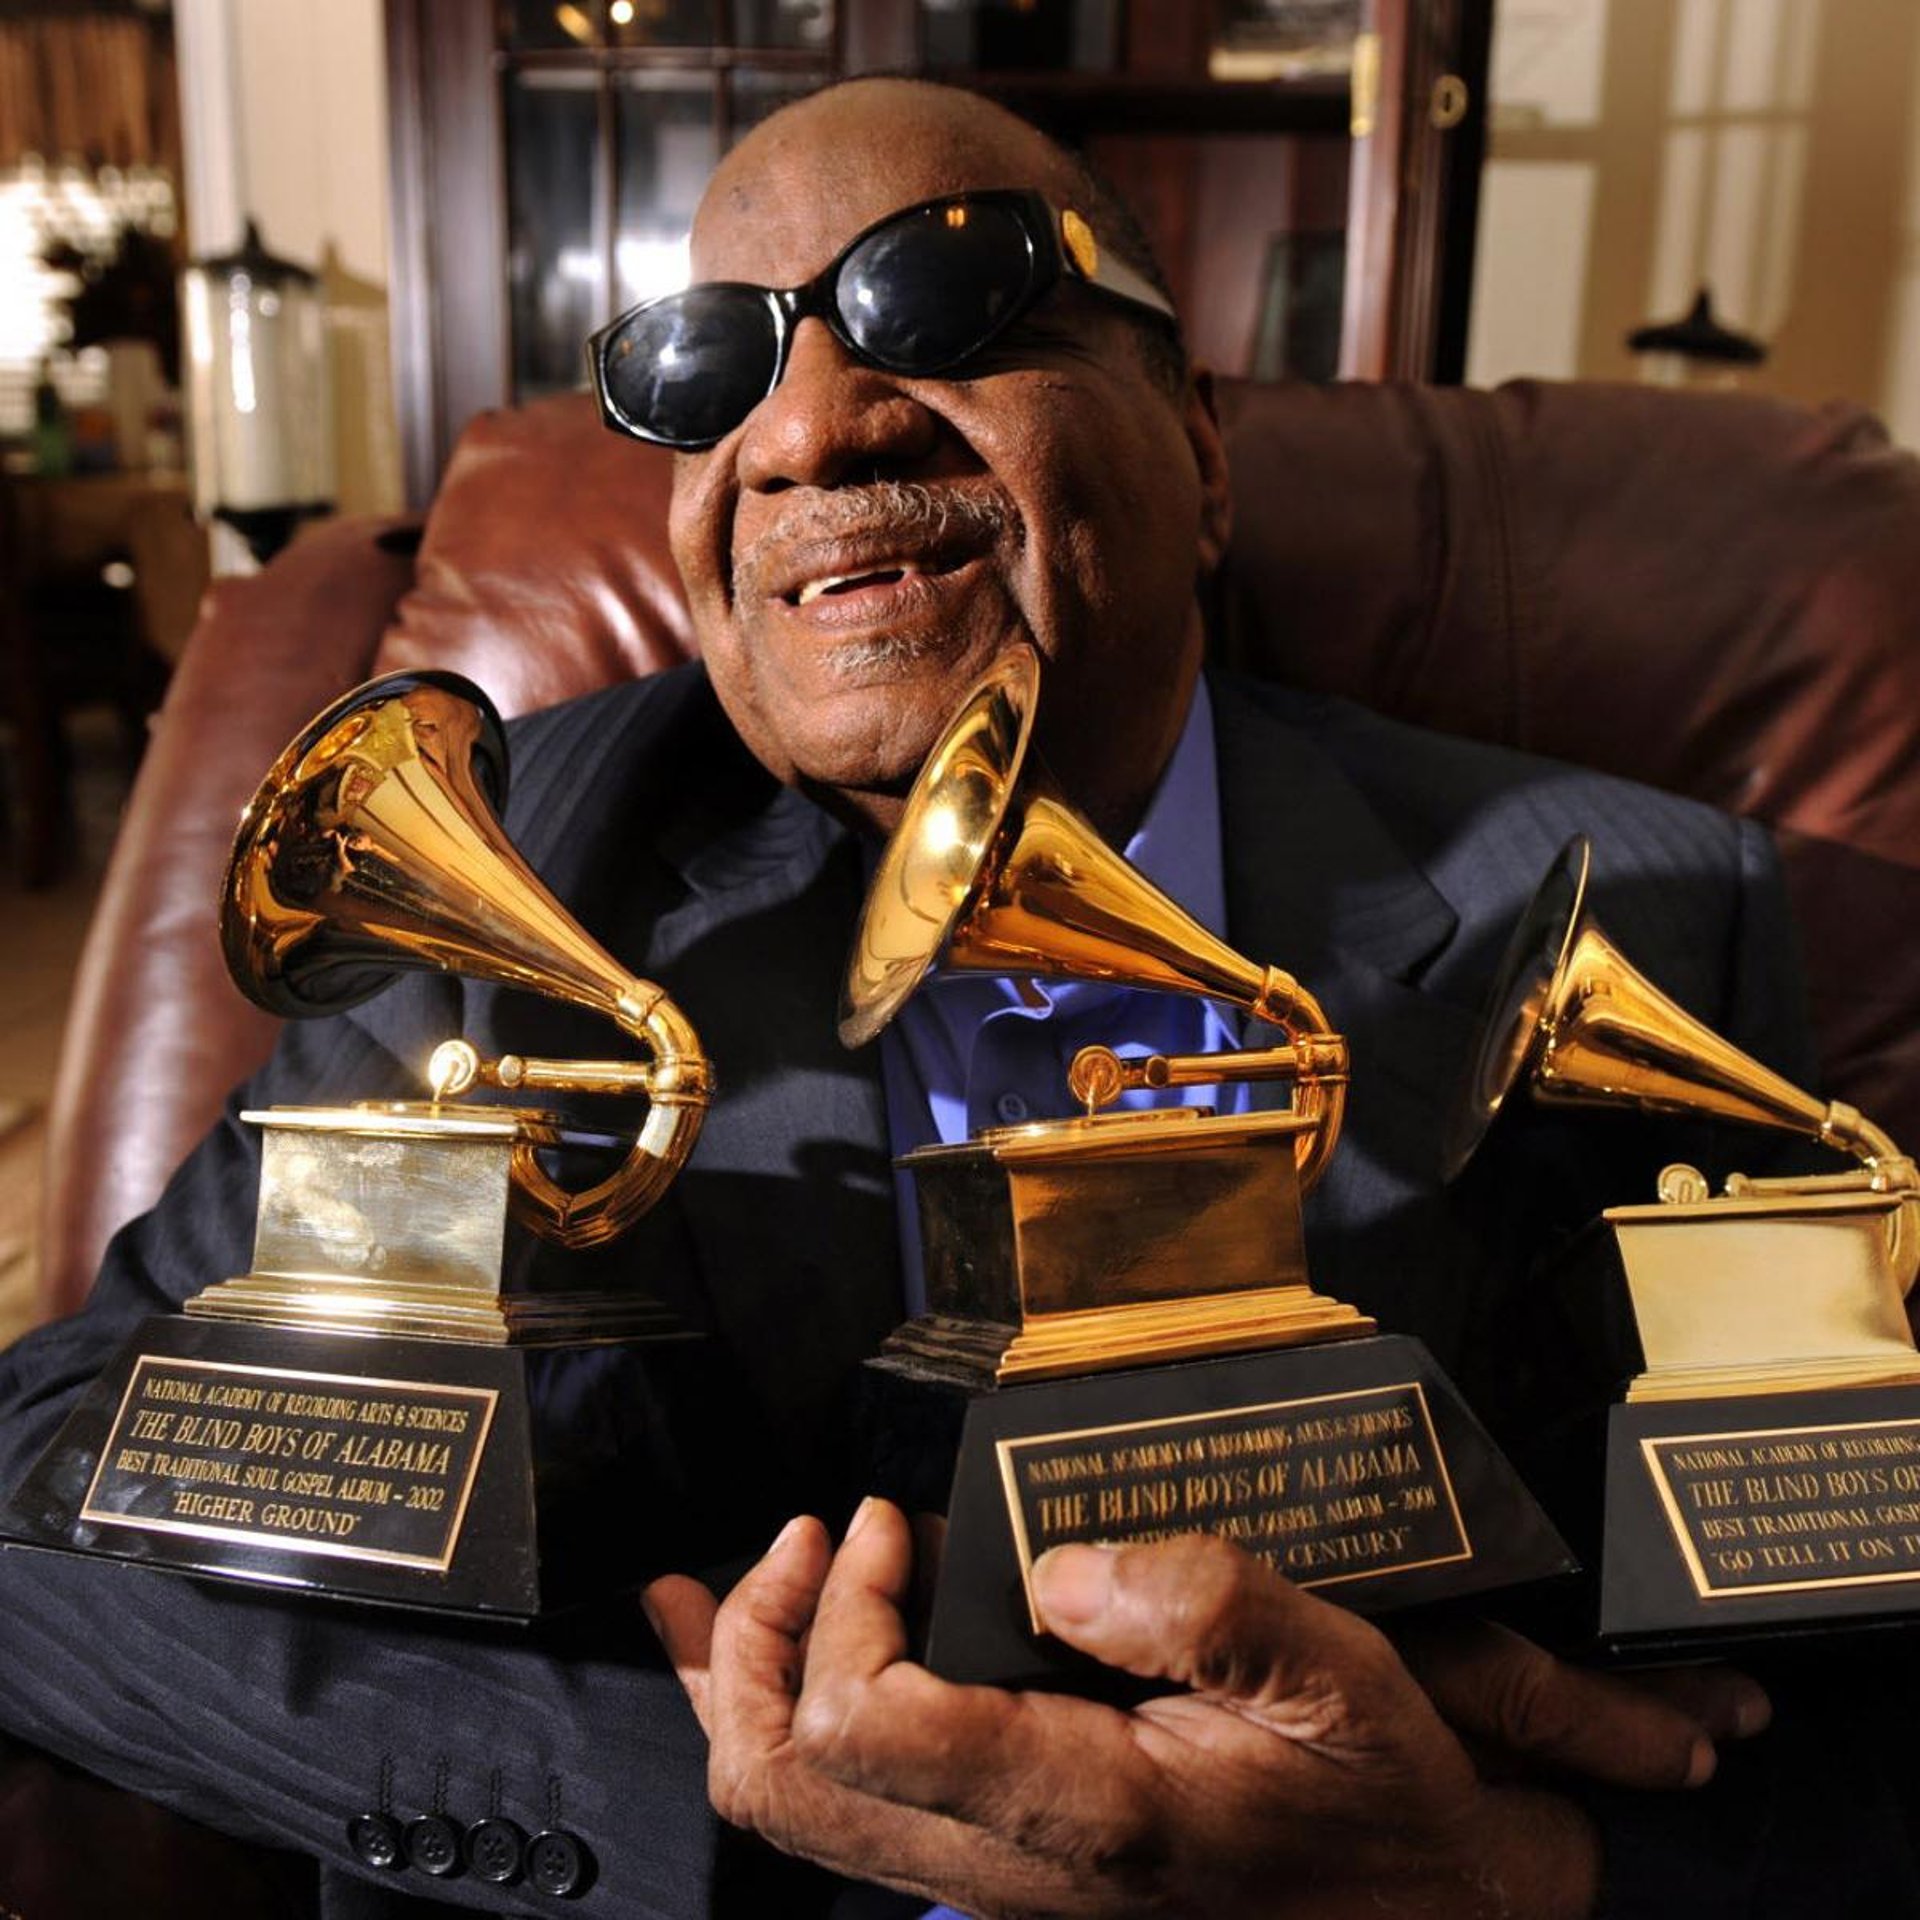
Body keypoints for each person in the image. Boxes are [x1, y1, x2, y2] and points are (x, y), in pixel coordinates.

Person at [0, 75, 1896, 1919]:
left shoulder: (1629, 901)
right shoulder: (517, 859)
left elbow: (1843, 1677)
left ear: (1202, 447)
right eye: (702, 368)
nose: (809, 432)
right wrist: (722, 1819)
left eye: (948, 293)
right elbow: (43, 1489)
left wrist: (1503, 1874)